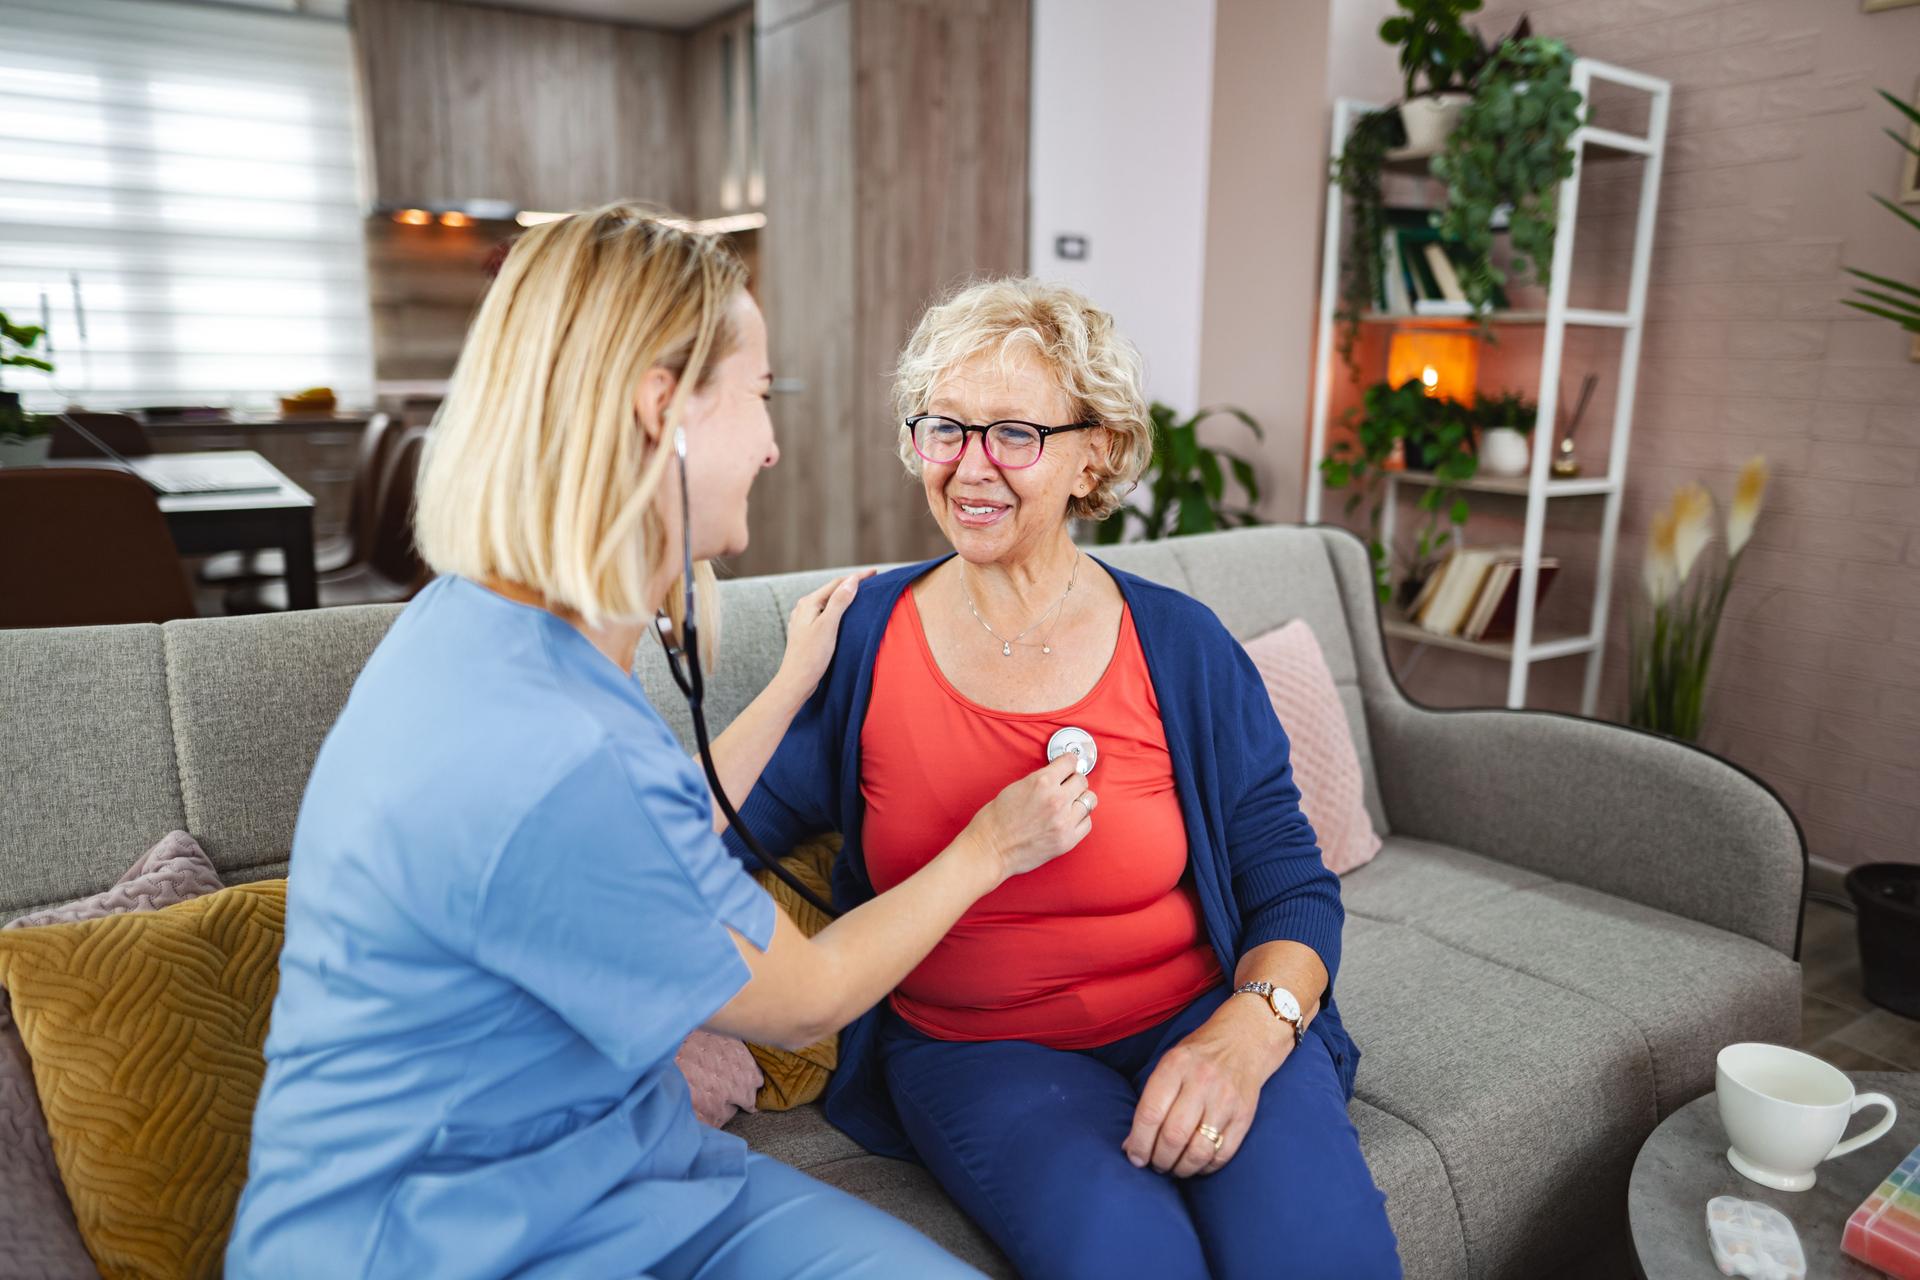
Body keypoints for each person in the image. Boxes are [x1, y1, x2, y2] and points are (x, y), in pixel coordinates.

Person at [225, 209, 1095, 1279]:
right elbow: (806, 997)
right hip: (448, 1239)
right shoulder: (539, 742)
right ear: (662, 408)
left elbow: (645, 831)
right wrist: (991, 845)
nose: (774, 442)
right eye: (761, 396)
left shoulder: (484, 623)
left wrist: (784, 685)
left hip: (630, 1173)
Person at [726, 277, 1404, 1279]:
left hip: (1199, 1006)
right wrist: (702, 1020)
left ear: (1097, 451)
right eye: (944, 428)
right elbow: (707, 834)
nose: (970, 467)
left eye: (1013, 433)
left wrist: (1250, 1032)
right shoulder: (863, 637)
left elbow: (1291, 881)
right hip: (978, 1052)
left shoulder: (1182, 645)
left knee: (1319, 1257)